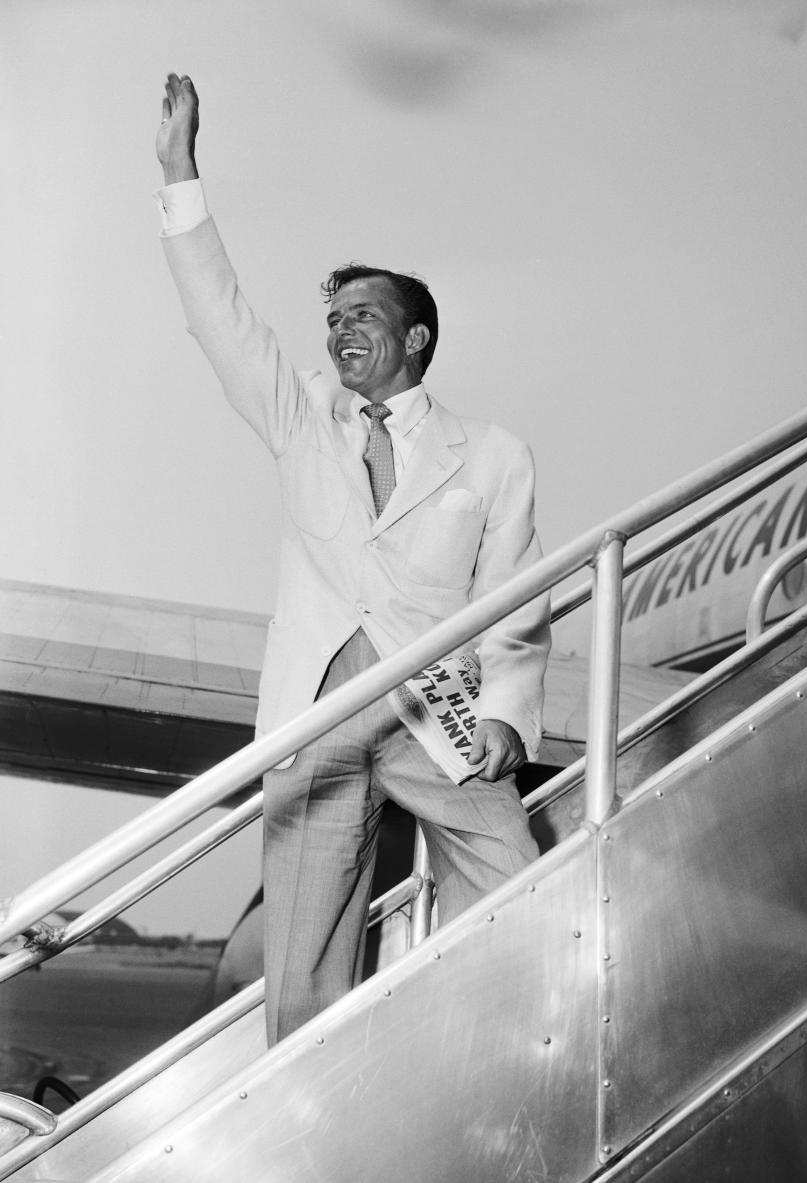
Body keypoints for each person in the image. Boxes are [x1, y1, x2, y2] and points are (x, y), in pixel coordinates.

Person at [155, 74, 551, 1044]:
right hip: (319, 711)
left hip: (438, 711)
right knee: (304, 955)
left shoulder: (493, 455)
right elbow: (220, 317)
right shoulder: (301, 421)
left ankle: (464, 1045)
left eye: (362, 317)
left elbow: (512, 597)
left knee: (521, 883)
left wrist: (505, 712)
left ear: (416, 337)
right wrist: (179, 173)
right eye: (333, 321)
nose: (340, 332)